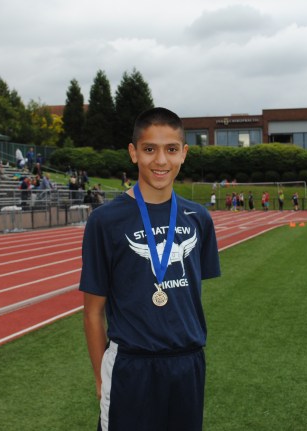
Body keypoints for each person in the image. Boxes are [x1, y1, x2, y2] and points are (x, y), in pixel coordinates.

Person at [80, 107, 220, 431]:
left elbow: (190, 295)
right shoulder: (105, 221)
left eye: (171, 149)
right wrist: (100, 376)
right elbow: (92, 312)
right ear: (133, 153)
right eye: (149, 149)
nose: (161, 160)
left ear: (184, 154)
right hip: (132, 364)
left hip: (188, 364)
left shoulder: (199, 219)